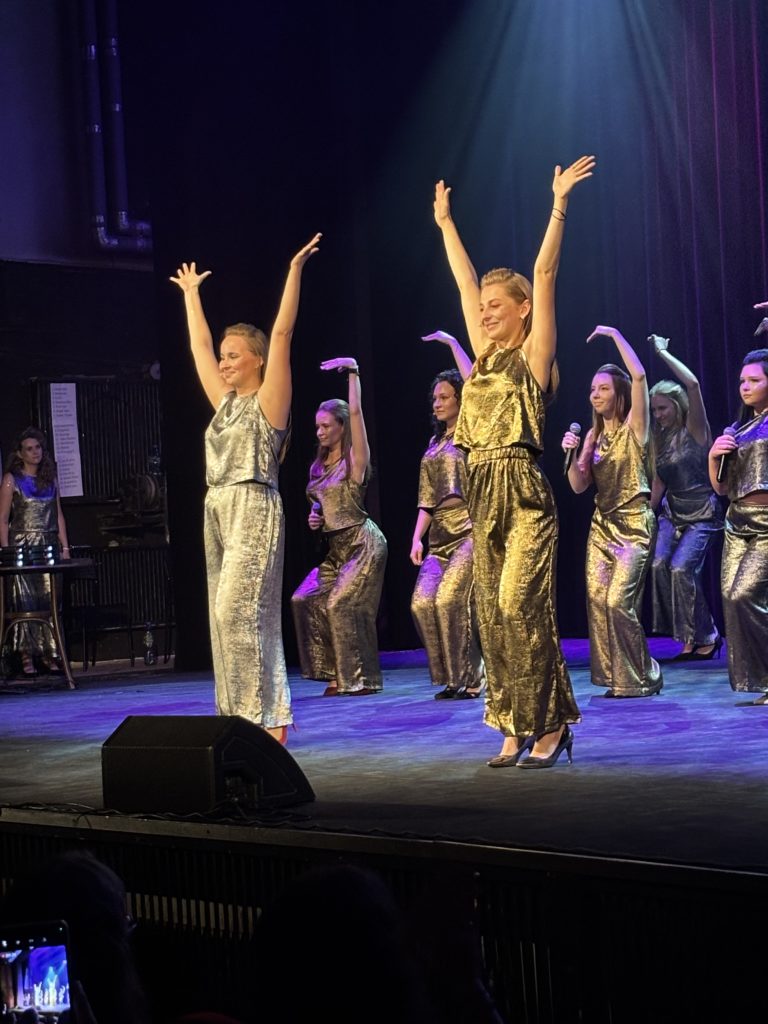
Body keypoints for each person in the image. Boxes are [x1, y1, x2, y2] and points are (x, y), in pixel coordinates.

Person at [434, 156, 593, 769]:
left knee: (517, 605)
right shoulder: (481, 357)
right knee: (490, 616)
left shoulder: (533, 355)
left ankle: (550, 722)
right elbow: (463, 282)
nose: (485, 312)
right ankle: (512, 722)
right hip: (481, 490)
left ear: (522, 309)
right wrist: (446, 225)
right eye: (483, 307)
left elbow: (544, 272)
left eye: (497, 304)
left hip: (523, 491)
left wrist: (559, 204)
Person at [170, 235, 321, 743]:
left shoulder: (269, 402)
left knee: (240, 612)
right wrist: (191, 295)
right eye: (224, 356)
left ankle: (265, 720)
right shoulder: (225, 404)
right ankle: (243, 719)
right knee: (222, 620)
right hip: (217, 508)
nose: (224, 363)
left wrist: (294, 270)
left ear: (257, 360)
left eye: (233, 355)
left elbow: (282, 332)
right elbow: (198, 348)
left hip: (253, 505)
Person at [562, 327, 663, 698]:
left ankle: (646, 673)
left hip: (634, 524)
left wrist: (615, 335)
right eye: (592, 389)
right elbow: (578, 485)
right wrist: (572, 454)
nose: (595, 394)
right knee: (598, 602)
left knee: (618, 601)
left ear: (619, 394)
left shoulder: (636, 426)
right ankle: (617, 678)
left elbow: (639, 376)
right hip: (602, 527)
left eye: (603, 388)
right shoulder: (593, 437)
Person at [291, 358, 387, 695]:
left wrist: (353, 372)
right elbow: (319, 507)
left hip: (363, 544)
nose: (319, 432)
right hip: (336, 550)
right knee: (304, 599)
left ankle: (361, 679)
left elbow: (357, 413)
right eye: (317, 427)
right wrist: (315, 518)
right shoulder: (317, 468)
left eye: (326, 426)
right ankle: (335, 673)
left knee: (341, 605)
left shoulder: (354, 461)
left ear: (341, 427)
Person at [410, 330, 483, 699]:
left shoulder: (470, 434)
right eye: (434, 398)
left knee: (450, 599)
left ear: (459, 399)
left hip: (469, 529)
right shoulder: (433, 444)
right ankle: (451, 677)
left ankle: (473, 676)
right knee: (422, 603)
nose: (437, 403)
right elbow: (426, 498)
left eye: (444, 397)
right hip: (439, 534)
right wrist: (416, 537)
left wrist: (454, 344)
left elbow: (474, 384)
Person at [647, 335, 723, 659]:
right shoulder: (659, 438)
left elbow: (692, 385)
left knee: (681, 569)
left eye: (662, 408)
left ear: (677, 405)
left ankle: (707, 636)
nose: (658, 415)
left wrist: (663, 353)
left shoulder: (695, 428)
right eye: (654, 410)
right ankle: (688, 637)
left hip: (702, 513)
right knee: (658, 565)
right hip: (672, 513)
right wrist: (646, 515)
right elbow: (659, 482)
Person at [708, 348, 768, 702]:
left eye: (754, 380)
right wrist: (714, 454)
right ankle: (759, 680)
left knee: (745, 593)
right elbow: (721, 488)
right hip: (737, 521)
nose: (745, 386)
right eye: (742, 381)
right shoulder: (739, 429)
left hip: (766, 524)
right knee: (732, 597)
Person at [0, 428, 71, 677]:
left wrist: (65, 547)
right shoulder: (12, 479)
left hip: (48, 544)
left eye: (38, 447)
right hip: (23, 545)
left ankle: (50, 653)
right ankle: (26, 655)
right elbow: (3, 518)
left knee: (49, 600)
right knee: (25, 600)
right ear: (20, 454)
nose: (35, 452)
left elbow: (58, 515)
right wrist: (7, 551)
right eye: (29, 449)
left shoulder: (50, 479)